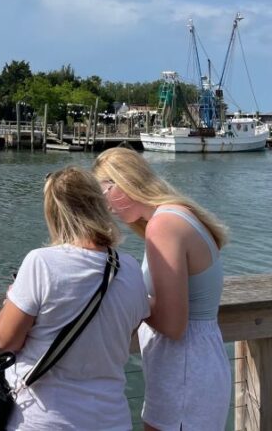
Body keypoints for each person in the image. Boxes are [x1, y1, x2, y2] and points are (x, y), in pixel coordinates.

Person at [0, 166, 148, 430]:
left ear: (53, 212)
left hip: (45, 418)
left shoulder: (41, 262)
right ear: (98, 205)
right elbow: (127, 331)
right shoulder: (130, 268)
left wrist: (12, 300)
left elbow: (5, 339)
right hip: (111, 419)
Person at [93, 147, 231, 431]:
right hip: (198, 364)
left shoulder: (163, 225)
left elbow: (173, 324)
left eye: (103, 193)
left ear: (122, 182)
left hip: (184, 371)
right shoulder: (180, 214)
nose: (106, 207)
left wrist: (123, 293)